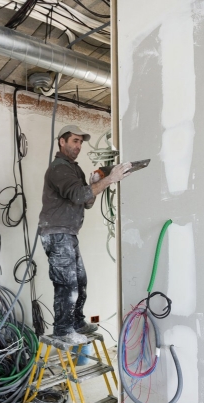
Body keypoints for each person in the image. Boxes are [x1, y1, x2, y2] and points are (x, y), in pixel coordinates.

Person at [38, 124, 131, 344]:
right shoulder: (59, 168)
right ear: (62, 141)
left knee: (80, 280)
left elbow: (86, 201)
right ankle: (63, 329)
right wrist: (110, 180)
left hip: (68, 233)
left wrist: (95, 184)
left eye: (80, 142)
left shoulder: (74, 169)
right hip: (56, 232)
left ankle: (76, 321)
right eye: (75, 141)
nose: (78, 146)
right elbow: (78, 195)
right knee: (67, 283)